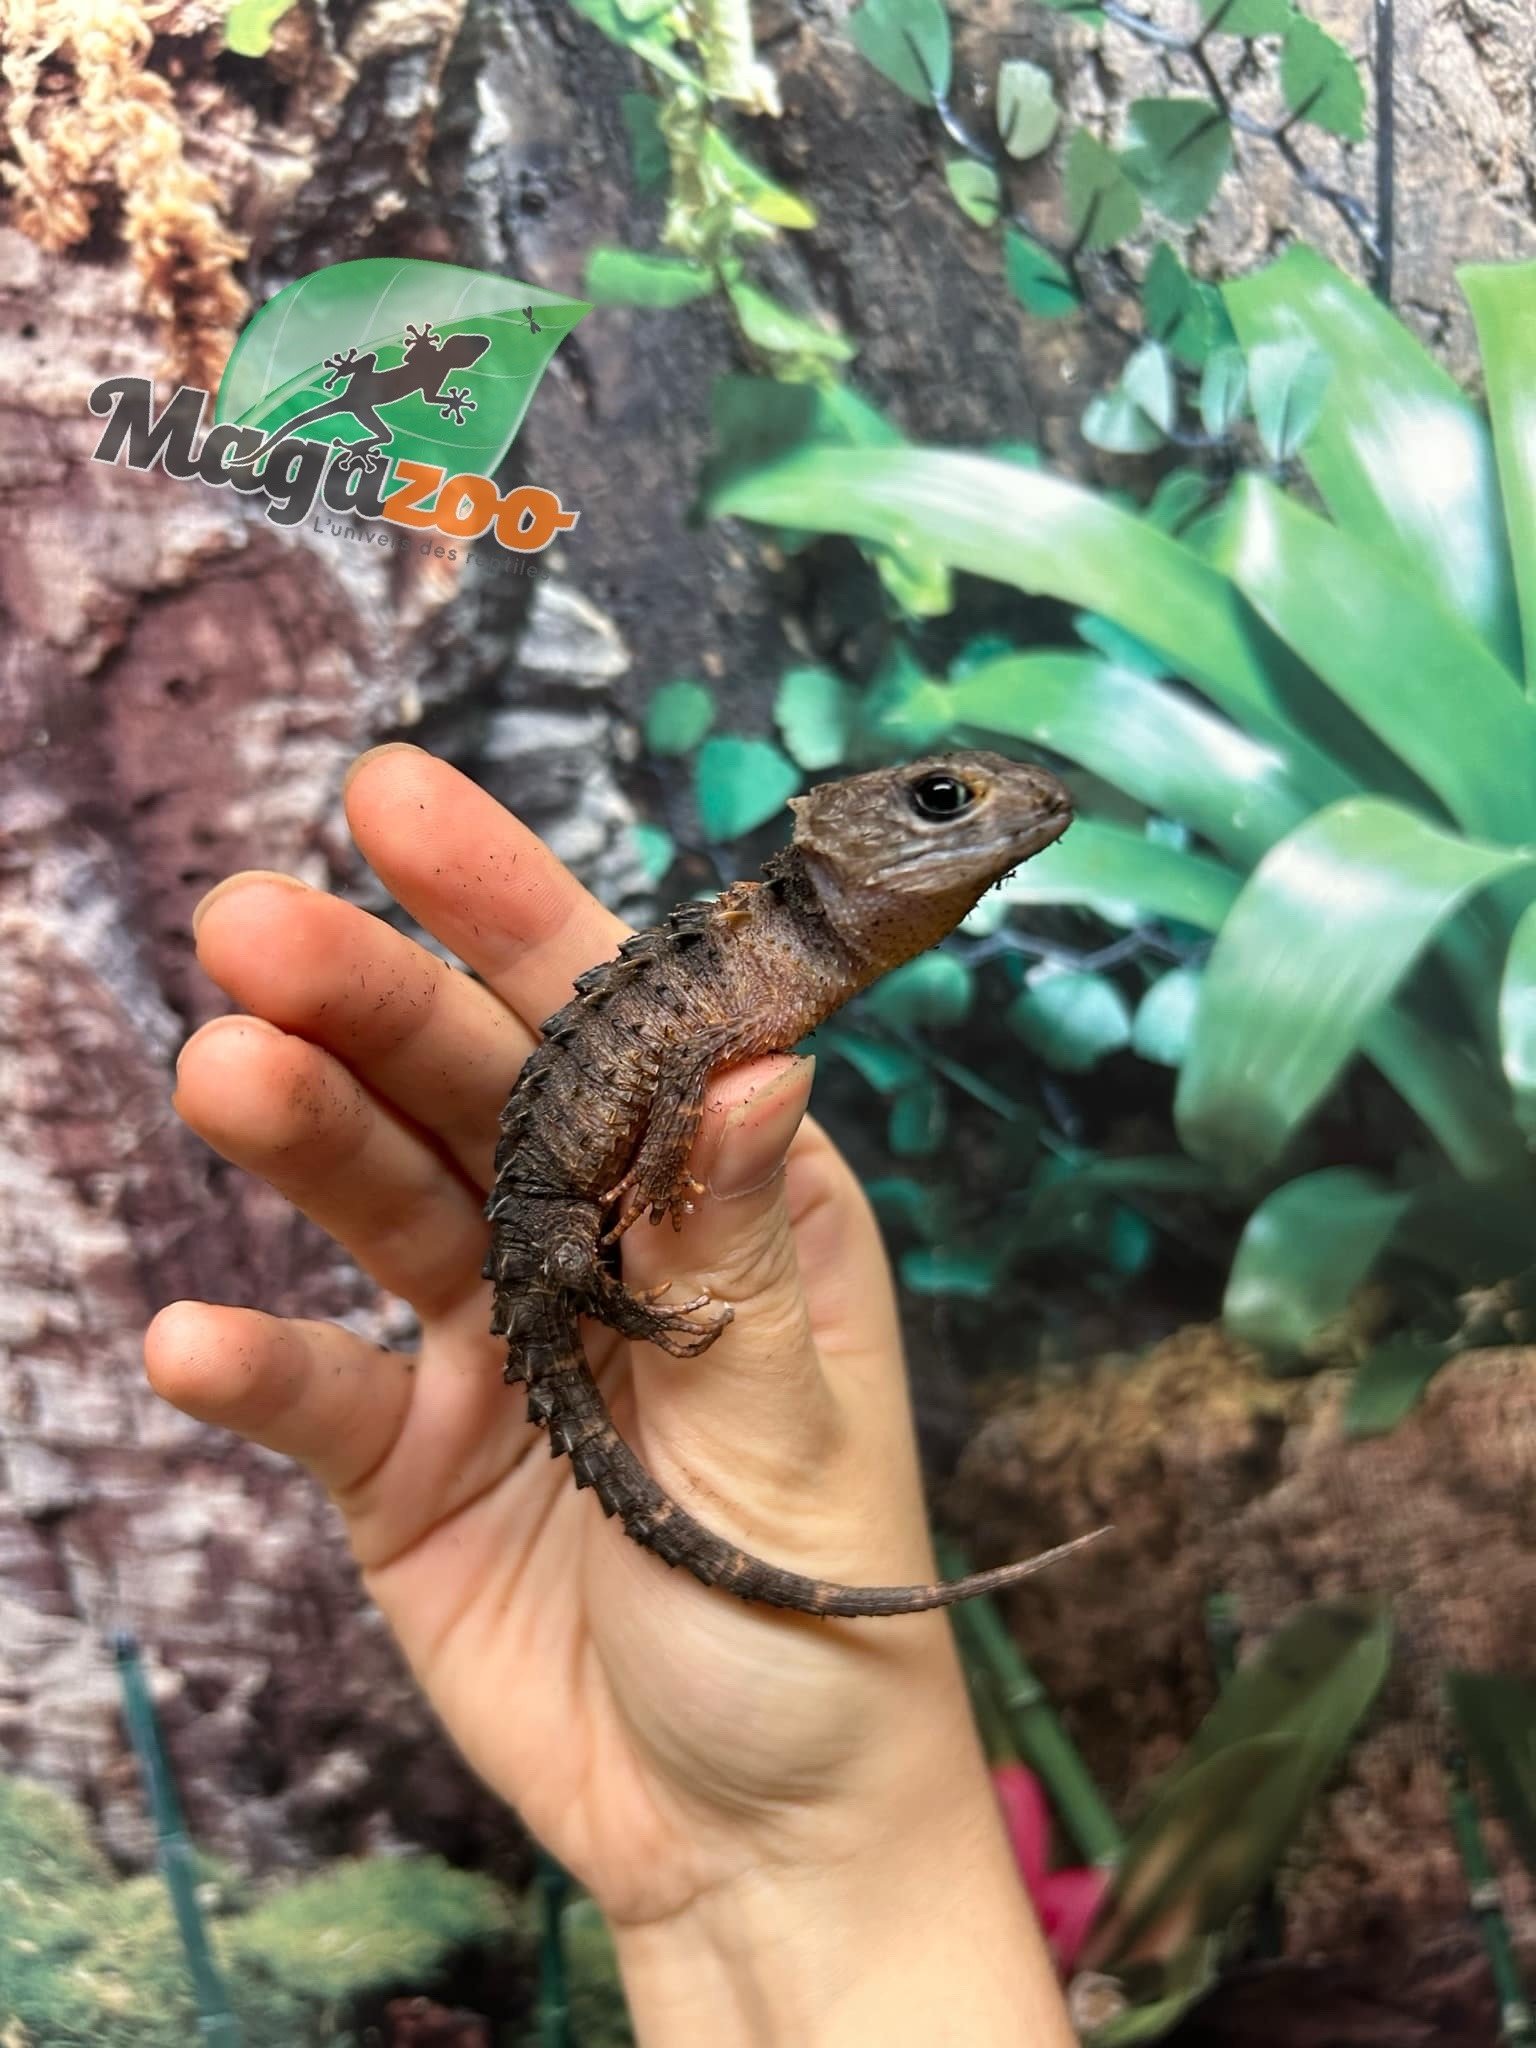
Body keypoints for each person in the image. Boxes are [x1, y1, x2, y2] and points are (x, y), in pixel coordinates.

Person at [145, 743, 1077, 2047]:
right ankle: (625, 1304)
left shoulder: (781, 951)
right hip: (547, 1218)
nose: (1009, 813)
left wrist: (816, 1851)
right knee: (583, 1258)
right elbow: (683, 1056)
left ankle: (625, 1304)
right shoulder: (751, 963)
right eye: (943, 798)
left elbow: (690, 1058)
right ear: (836, 837)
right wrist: (639, 1272)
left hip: (563, 1208)